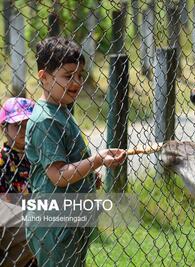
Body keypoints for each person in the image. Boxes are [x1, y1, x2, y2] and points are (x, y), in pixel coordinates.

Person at [25, 36, 126, 267]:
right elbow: (58, 175)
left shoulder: (61, 112)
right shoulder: (46, 120)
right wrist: (96, 160)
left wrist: (87, 177)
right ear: (44, 77)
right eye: (68, 75)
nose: (77, 82)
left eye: (80, 75)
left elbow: (69, 163)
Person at [0, 97, 36, 267]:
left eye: (27, 124)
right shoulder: (2, 158)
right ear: (4, 127)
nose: (23, 130)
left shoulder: (38, 156)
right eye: (17, 125)